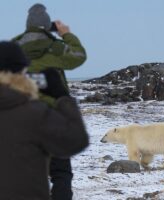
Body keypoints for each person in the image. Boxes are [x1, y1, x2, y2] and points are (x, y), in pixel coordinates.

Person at [13, 4, 87, 199]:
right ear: (48, 26)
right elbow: (79, 56)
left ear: (28, 25)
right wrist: (66, 34)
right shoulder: (56, 47)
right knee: (61, 173)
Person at [0, 41, 89, 200]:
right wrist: (62, 96)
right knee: (61, 173)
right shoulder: (34, 112)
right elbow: (76, 141)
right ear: (21, 73)